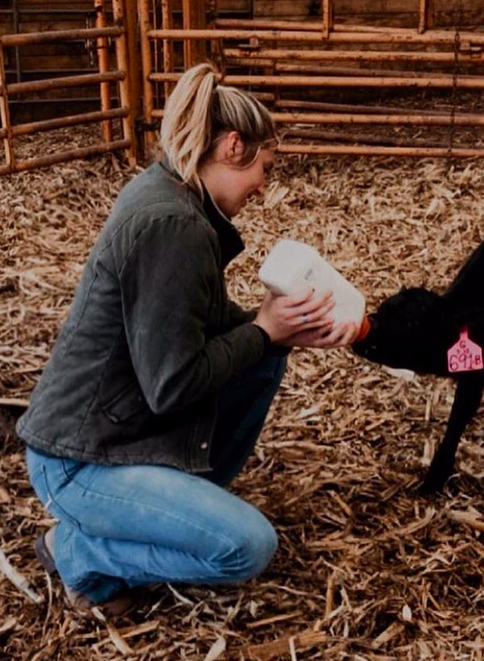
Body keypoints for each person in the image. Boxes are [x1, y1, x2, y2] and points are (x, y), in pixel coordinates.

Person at [17, 62, 357, 614]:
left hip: (114, 431)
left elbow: (210, 333)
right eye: (263, 168)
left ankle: (168, 508)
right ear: (230, 145)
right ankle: (78, 550)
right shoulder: (173, 226)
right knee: (245, 547)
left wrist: (285, 329)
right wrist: (266, 328)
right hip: (80, 460)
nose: (264, 186)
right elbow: (173, 385)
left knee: (265, 355)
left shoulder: (173, 198)